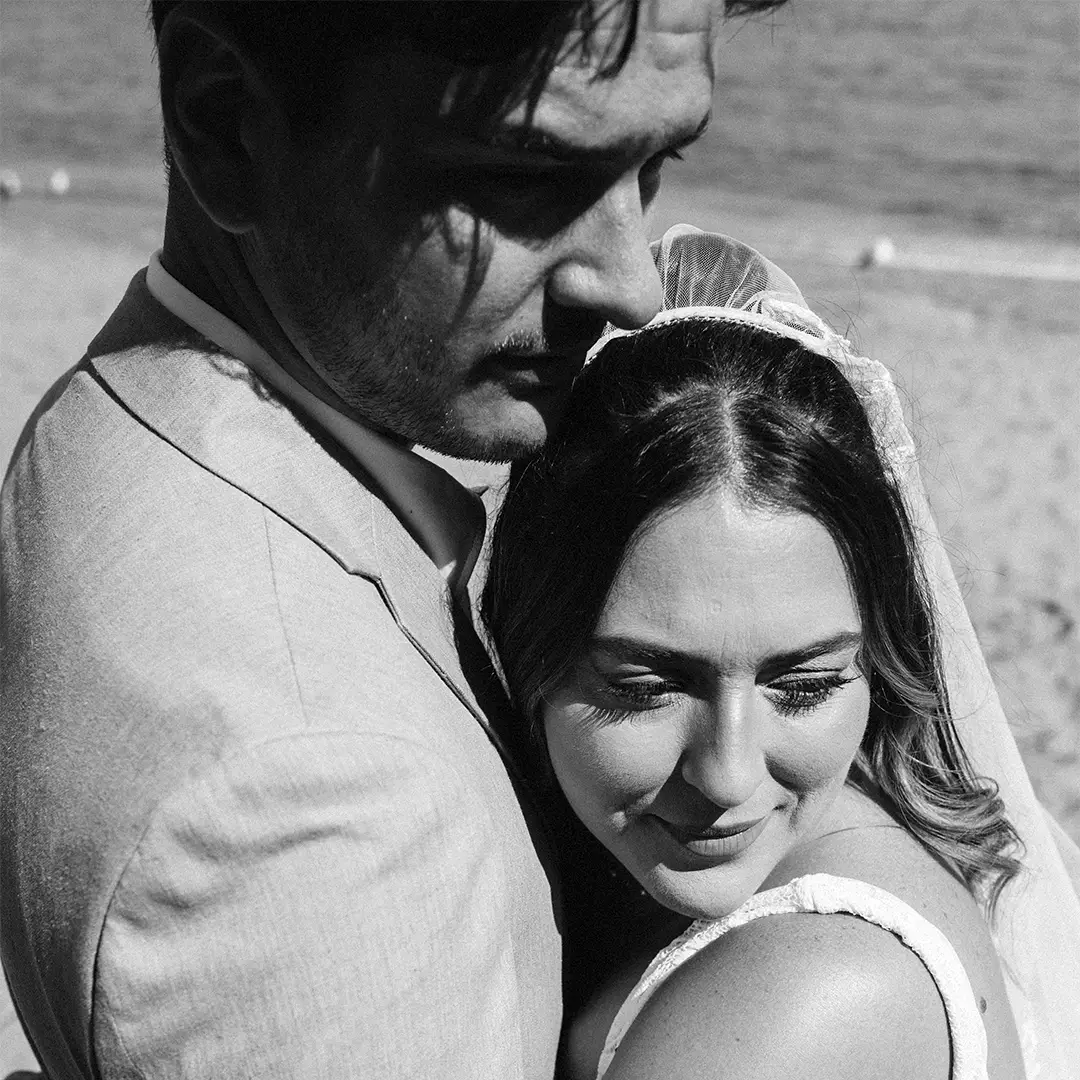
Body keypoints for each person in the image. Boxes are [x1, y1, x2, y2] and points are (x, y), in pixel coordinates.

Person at [0, 3, 787, 1076]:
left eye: (652, 167)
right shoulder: (311, 801)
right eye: (525, 179)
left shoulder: (110, 429)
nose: (633, 286)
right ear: (224, 119)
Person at [483, 228, 1080, 1079]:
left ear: (877, 661)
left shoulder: (813, 997)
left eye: (801, 686)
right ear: (529, 630)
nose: (728, 777)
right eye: (648, 686)